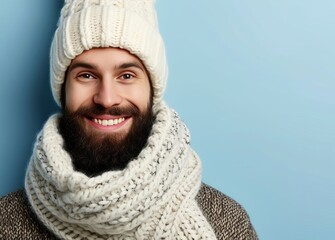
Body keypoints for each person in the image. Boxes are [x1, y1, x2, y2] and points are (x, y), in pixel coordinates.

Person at [0, 0, 258, 239]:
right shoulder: (7, 223)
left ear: (152, 90)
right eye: (86, 76)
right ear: (63, 90)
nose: (107, 98)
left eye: (126, 76)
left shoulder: (225, 221)